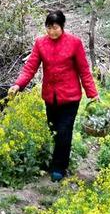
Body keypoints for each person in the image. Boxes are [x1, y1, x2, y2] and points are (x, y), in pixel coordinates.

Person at [8, 10, 99, 182]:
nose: (52, 32)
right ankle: (60, 158)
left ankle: (59, 168)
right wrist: (18, 85)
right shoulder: (41, 43)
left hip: (70, 97)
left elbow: (84, 70)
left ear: (62, 26)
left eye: (55, 27)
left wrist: (92, 93)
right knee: (55, 131)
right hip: (51, 96)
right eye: (49, 28)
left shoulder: (74, 43)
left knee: (64, 131)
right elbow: (30, 68)